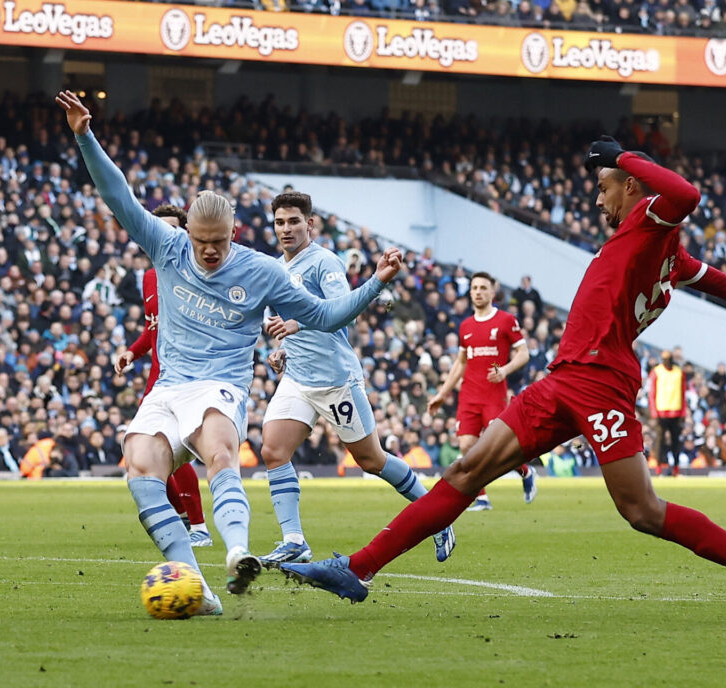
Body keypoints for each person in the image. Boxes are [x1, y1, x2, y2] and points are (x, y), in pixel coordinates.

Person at [280, 136, 726, 626]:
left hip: (604, 385)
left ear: (631, 185)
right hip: (563, 379)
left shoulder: (654, 221)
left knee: (642, 511)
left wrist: (621, 156)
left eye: (603, 187)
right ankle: (359, 569)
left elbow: (685, 195)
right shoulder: (667, 252)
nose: (597, 200)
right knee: (467, 469)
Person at [57, 91, 403, 616]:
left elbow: (328, 317)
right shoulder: (166, 246)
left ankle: (238, 550)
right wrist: (85, 135)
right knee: (140, 470)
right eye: (201, 242)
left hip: (220, 385)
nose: (210, 251)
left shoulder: (262, 270)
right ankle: (200, 590)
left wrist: (376, 282)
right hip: (169, 385)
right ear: (188, 234)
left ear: (234, 233)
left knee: (221, 450)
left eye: (218, 241)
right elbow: (118, 195)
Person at [257, 191, 454, 566]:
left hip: (335, 380)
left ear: (309, 223)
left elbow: (342, 312)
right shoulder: (273, 268)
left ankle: (437, 516)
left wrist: (300, 323)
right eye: (280, 222)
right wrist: (282, 347)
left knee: (372, 460)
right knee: (273, 450)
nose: (286, 229)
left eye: (294, 221)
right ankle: (294, 539)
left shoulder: (324, 263)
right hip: (297, 378)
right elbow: (276, 322)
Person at [113, 204, 213, 549]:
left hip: (186, 373)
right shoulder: (149, 276)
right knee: (143, 447)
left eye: (175, 228)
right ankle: (180, 517)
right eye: (161, 228)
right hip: (158, 373)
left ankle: (198, 525)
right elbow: (151, 328)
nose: (168, 234)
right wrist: (133, 351)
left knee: (173, 443)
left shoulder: (194, 272)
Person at [426, 271, 535, 511]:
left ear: (492, 292)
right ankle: (482, 498)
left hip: (494, 395)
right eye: (474, 288)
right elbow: (461, 363)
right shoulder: (465, 326)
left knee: (497, 449)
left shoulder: (506, 320)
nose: (478, 292)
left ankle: (525, 471)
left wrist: (504, 371)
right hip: (469, 395)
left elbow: (524, 353)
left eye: (483, 288)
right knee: (466, 446)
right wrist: (442, 394)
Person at [648, 350, 686, 476]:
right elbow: (652, 393)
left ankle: (676, 467)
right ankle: (659, 467)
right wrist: (654, 412)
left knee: (676, 442)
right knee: (660, 441)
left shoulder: (679, 372)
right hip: (661, 412)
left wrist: (683, 412)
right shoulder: (656, 372)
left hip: (676, 412)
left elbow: (683, 393)